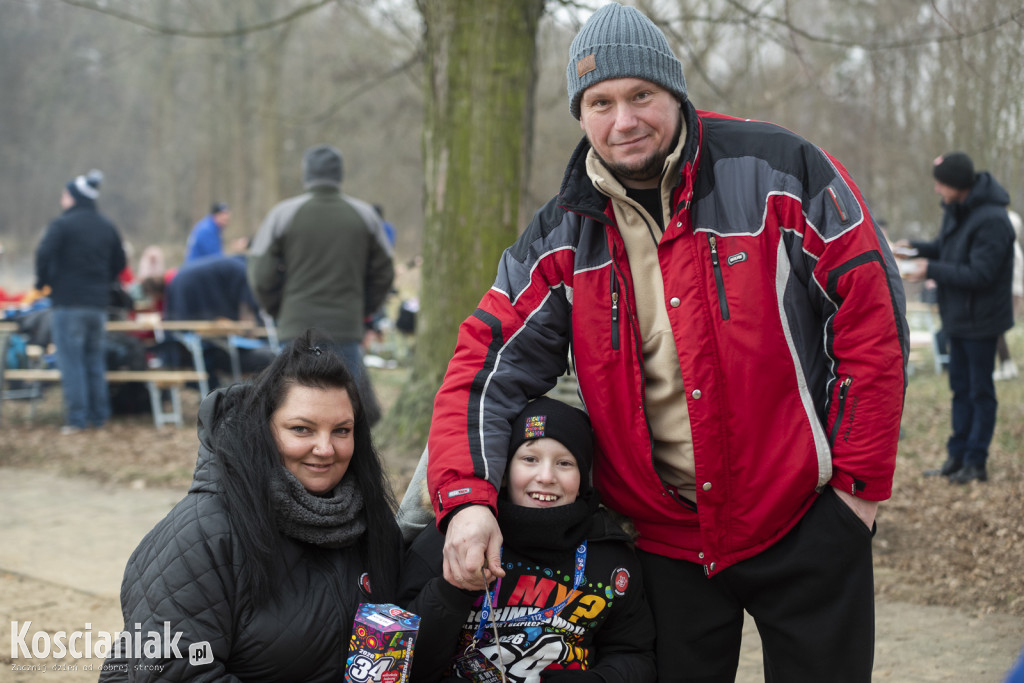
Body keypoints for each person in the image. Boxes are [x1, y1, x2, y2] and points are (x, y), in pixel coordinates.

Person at [424, 4, 908, 681]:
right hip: (664, 540)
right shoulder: (561, 233)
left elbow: (871, 319)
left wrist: (858, 488)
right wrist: (468, 499)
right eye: (600, 102)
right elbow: (485, 366)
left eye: (640, 95)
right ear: (581, 113)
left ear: (674, 92)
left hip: (803, 516)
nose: (623, 120)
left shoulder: (782, 170)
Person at [98, 330, 404, 682]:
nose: (326, 448)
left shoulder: (371, 523)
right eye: (302, 429)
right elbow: (172, 672)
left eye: (341, 430)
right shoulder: (203, 533)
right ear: (263, 430)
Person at [399, 397, 656, 682]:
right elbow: (400, 658)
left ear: (584, 477)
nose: (546, 476)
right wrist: (452, 592)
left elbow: (635, 655)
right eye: (529, 459)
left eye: (565, 463)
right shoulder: (454, 537)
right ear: (505, 470)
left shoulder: (611, 555)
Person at [248, 144, 394, 425]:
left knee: (291, 410)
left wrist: (279, 308)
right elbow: (384, 273)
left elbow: (260, 272)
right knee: (351, 412)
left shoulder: (283, 214)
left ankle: (292, 466)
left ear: (306, 175)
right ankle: (350, 465)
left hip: (296, 326)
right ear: (339, 175)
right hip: (346, 326)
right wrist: (364, 310)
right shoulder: (365, 216)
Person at [896, 152, 1015, 484]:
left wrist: (930, 270)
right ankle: (956, 456)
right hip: (957, 317)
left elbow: (981, 274)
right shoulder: (956, 211)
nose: (937, 190)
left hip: (982, 320)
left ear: (957, 184)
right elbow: (947, 249)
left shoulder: (992, 219)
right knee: (959, 390)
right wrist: (914, 249)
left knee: (980, 391)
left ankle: (976, 462)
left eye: (940, 183)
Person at [33, 169, 126, 435]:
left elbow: (43, 253)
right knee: (94, 361)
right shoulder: (106, 225)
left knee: (71, 362)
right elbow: (120, 262)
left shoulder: (62, 225)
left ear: (73, 197)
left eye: (65, 194)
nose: (62, 198)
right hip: (98, 306)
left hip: (68, 304)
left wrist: (43, 283)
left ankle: (77, 419)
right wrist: (103, 281)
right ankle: (100, 416)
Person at [160, 252, 276, 388]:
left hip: (181, 286)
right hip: (188, 294)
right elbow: (248, 316)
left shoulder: (232, 267)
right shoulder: (244, 271)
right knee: (268, 356)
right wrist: (251, 332)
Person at [993, 209, 1022, 380]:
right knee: (999, 330)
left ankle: (1007, 365)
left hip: (1010, 292)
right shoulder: (1014, 248)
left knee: (997, 329)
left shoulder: (1009, 248)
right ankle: (1007, 365)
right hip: (1014, 291)